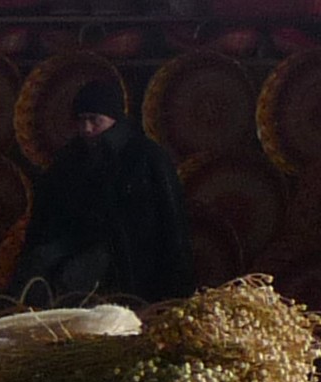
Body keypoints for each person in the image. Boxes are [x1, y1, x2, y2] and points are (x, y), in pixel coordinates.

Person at [15, 78, 193, 303]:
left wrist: (179, 288)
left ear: (113, 118)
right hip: (72, 250)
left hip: (128, 267)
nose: (87, 128)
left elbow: (172, 224)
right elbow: (43, 219)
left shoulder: (147, 158)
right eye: (81, 120)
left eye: (94, 120)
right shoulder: (68, 161)